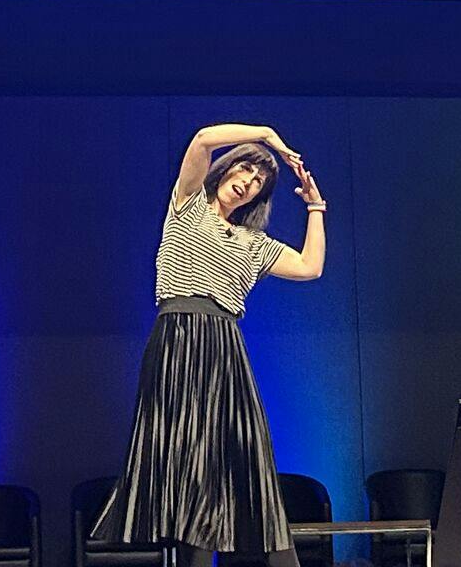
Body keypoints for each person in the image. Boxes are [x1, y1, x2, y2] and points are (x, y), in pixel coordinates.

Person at [93, 123, 328, 567]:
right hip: (177, 339)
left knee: (247, 451)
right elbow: (202, 139)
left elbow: (310, 266)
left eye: (258, 182)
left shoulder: (251, 242)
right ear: (226, 170)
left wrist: (315, 204)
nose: (247, 183)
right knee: (189, 460)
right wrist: (266, 137)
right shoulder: (187, 207)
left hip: (224, 345)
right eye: (244, 170)